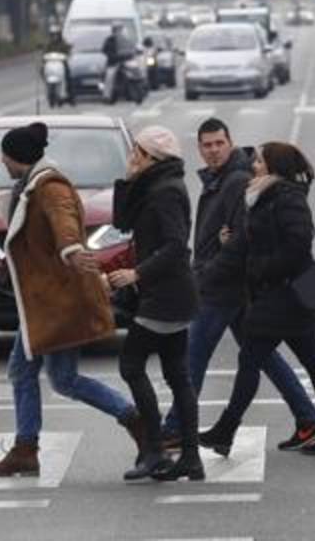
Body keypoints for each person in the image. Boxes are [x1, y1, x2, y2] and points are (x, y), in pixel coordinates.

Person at [0, 122, 142, 477]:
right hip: (44, 299)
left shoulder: (49, 186)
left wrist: (70, 248)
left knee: (47, 375)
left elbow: (64, 219)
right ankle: (27, 447)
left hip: (56, 300)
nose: (2, 161)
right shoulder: (29, 184)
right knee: (48, 375)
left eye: (4, 154)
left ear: (16, 156)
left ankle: (134, 419)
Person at [158, 119, 315, 452]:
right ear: (199, 148)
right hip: (227, 281)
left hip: (223, 284)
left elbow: (244, 236)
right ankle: (308, 418)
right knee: (263, 357)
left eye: (219, 143)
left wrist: (208, 270)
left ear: (230, 143)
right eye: (206, 145)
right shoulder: (219, 179)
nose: (213, 150)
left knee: (194, 355)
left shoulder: (235, 180)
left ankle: (175, 427)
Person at [198, 142, 315, 458]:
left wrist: (260, 268)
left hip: (285, 297)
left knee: (253, 361)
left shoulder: (288, 199)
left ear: (274, 167)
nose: (254, 165)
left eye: (260, 161)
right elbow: (243, 245)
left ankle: (226, 429)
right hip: (282, 298)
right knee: (312, 365)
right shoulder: (262, 197)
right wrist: (207, 276)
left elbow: (297, 247)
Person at [110, 125, 203, 482]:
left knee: (131, 365)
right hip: (170, 293)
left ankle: (155, 451)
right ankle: (188, 457)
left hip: (165, 295)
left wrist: (137, 274)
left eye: (136, 152)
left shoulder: (165, 191)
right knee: (177, 375)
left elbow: (177, 245)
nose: (131, 157)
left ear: (152, 157)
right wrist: (128, 178)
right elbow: (122, 222)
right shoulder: (154, 184)